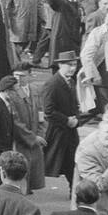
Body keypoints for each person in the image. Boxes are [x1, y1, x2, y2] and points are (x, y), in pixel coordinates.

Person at [43, 52, 84, 190]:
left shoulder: (71, 81)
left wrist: (77, 119)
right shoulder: (52, 84)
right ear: (60, 65)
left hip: (70, 131)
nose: (73, 68)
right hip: (58, 131)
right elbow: (48, 111)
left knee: (72, 162)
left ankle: (75, 190)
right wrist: (66, 120)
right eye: (69, 65)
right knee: (62, 161)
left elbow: (75, 105)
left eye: (74, 64)